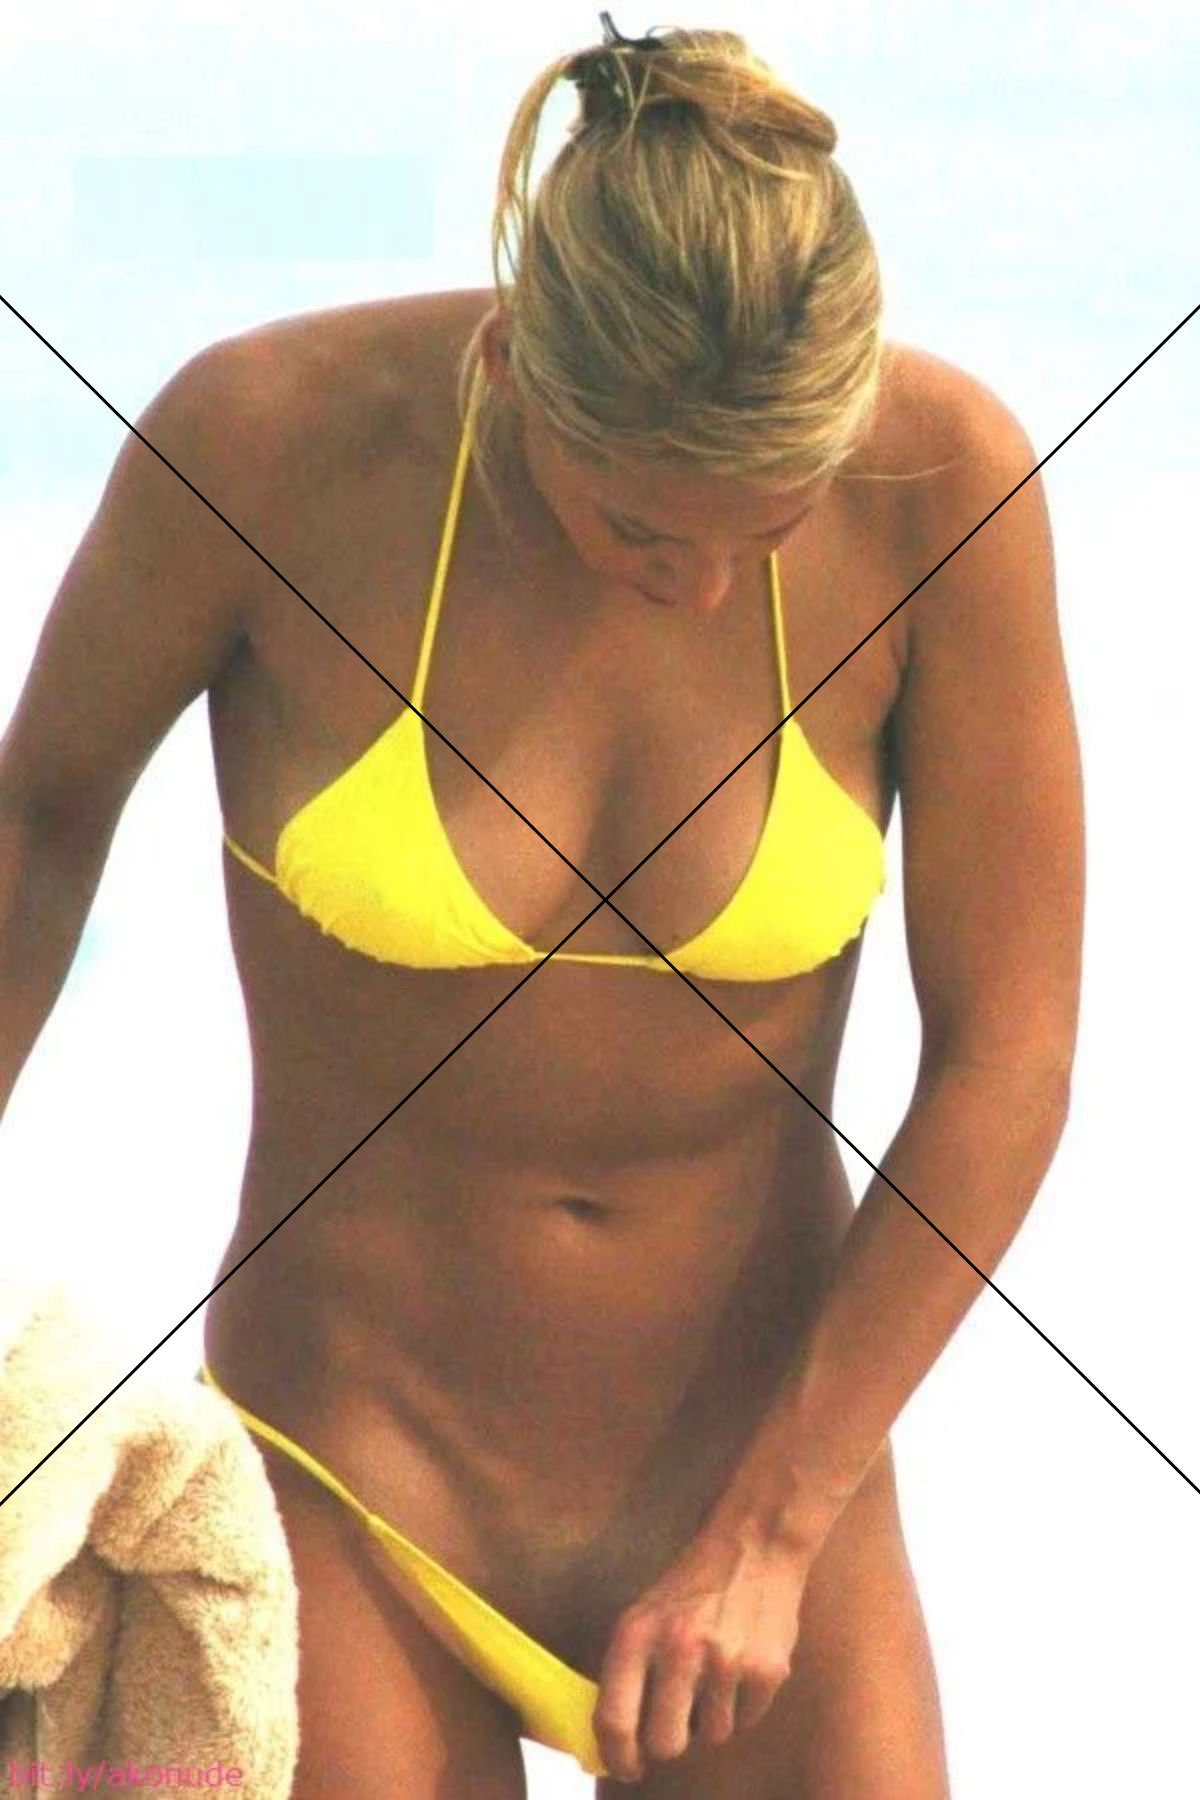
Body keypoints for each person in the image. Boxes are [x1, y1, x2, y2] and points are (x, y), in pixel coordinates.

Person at [0, 15, 1084, 1797]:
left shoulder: (944, 486)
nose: (702, 586)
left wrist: (777, 1529)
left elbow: (1009, 1052)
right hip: (348, 1482)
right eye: (643, 530)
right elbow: (37, 821)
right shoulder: (266, 450)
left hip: (765, 1497)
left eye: (763, 531)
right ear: (515, 369)